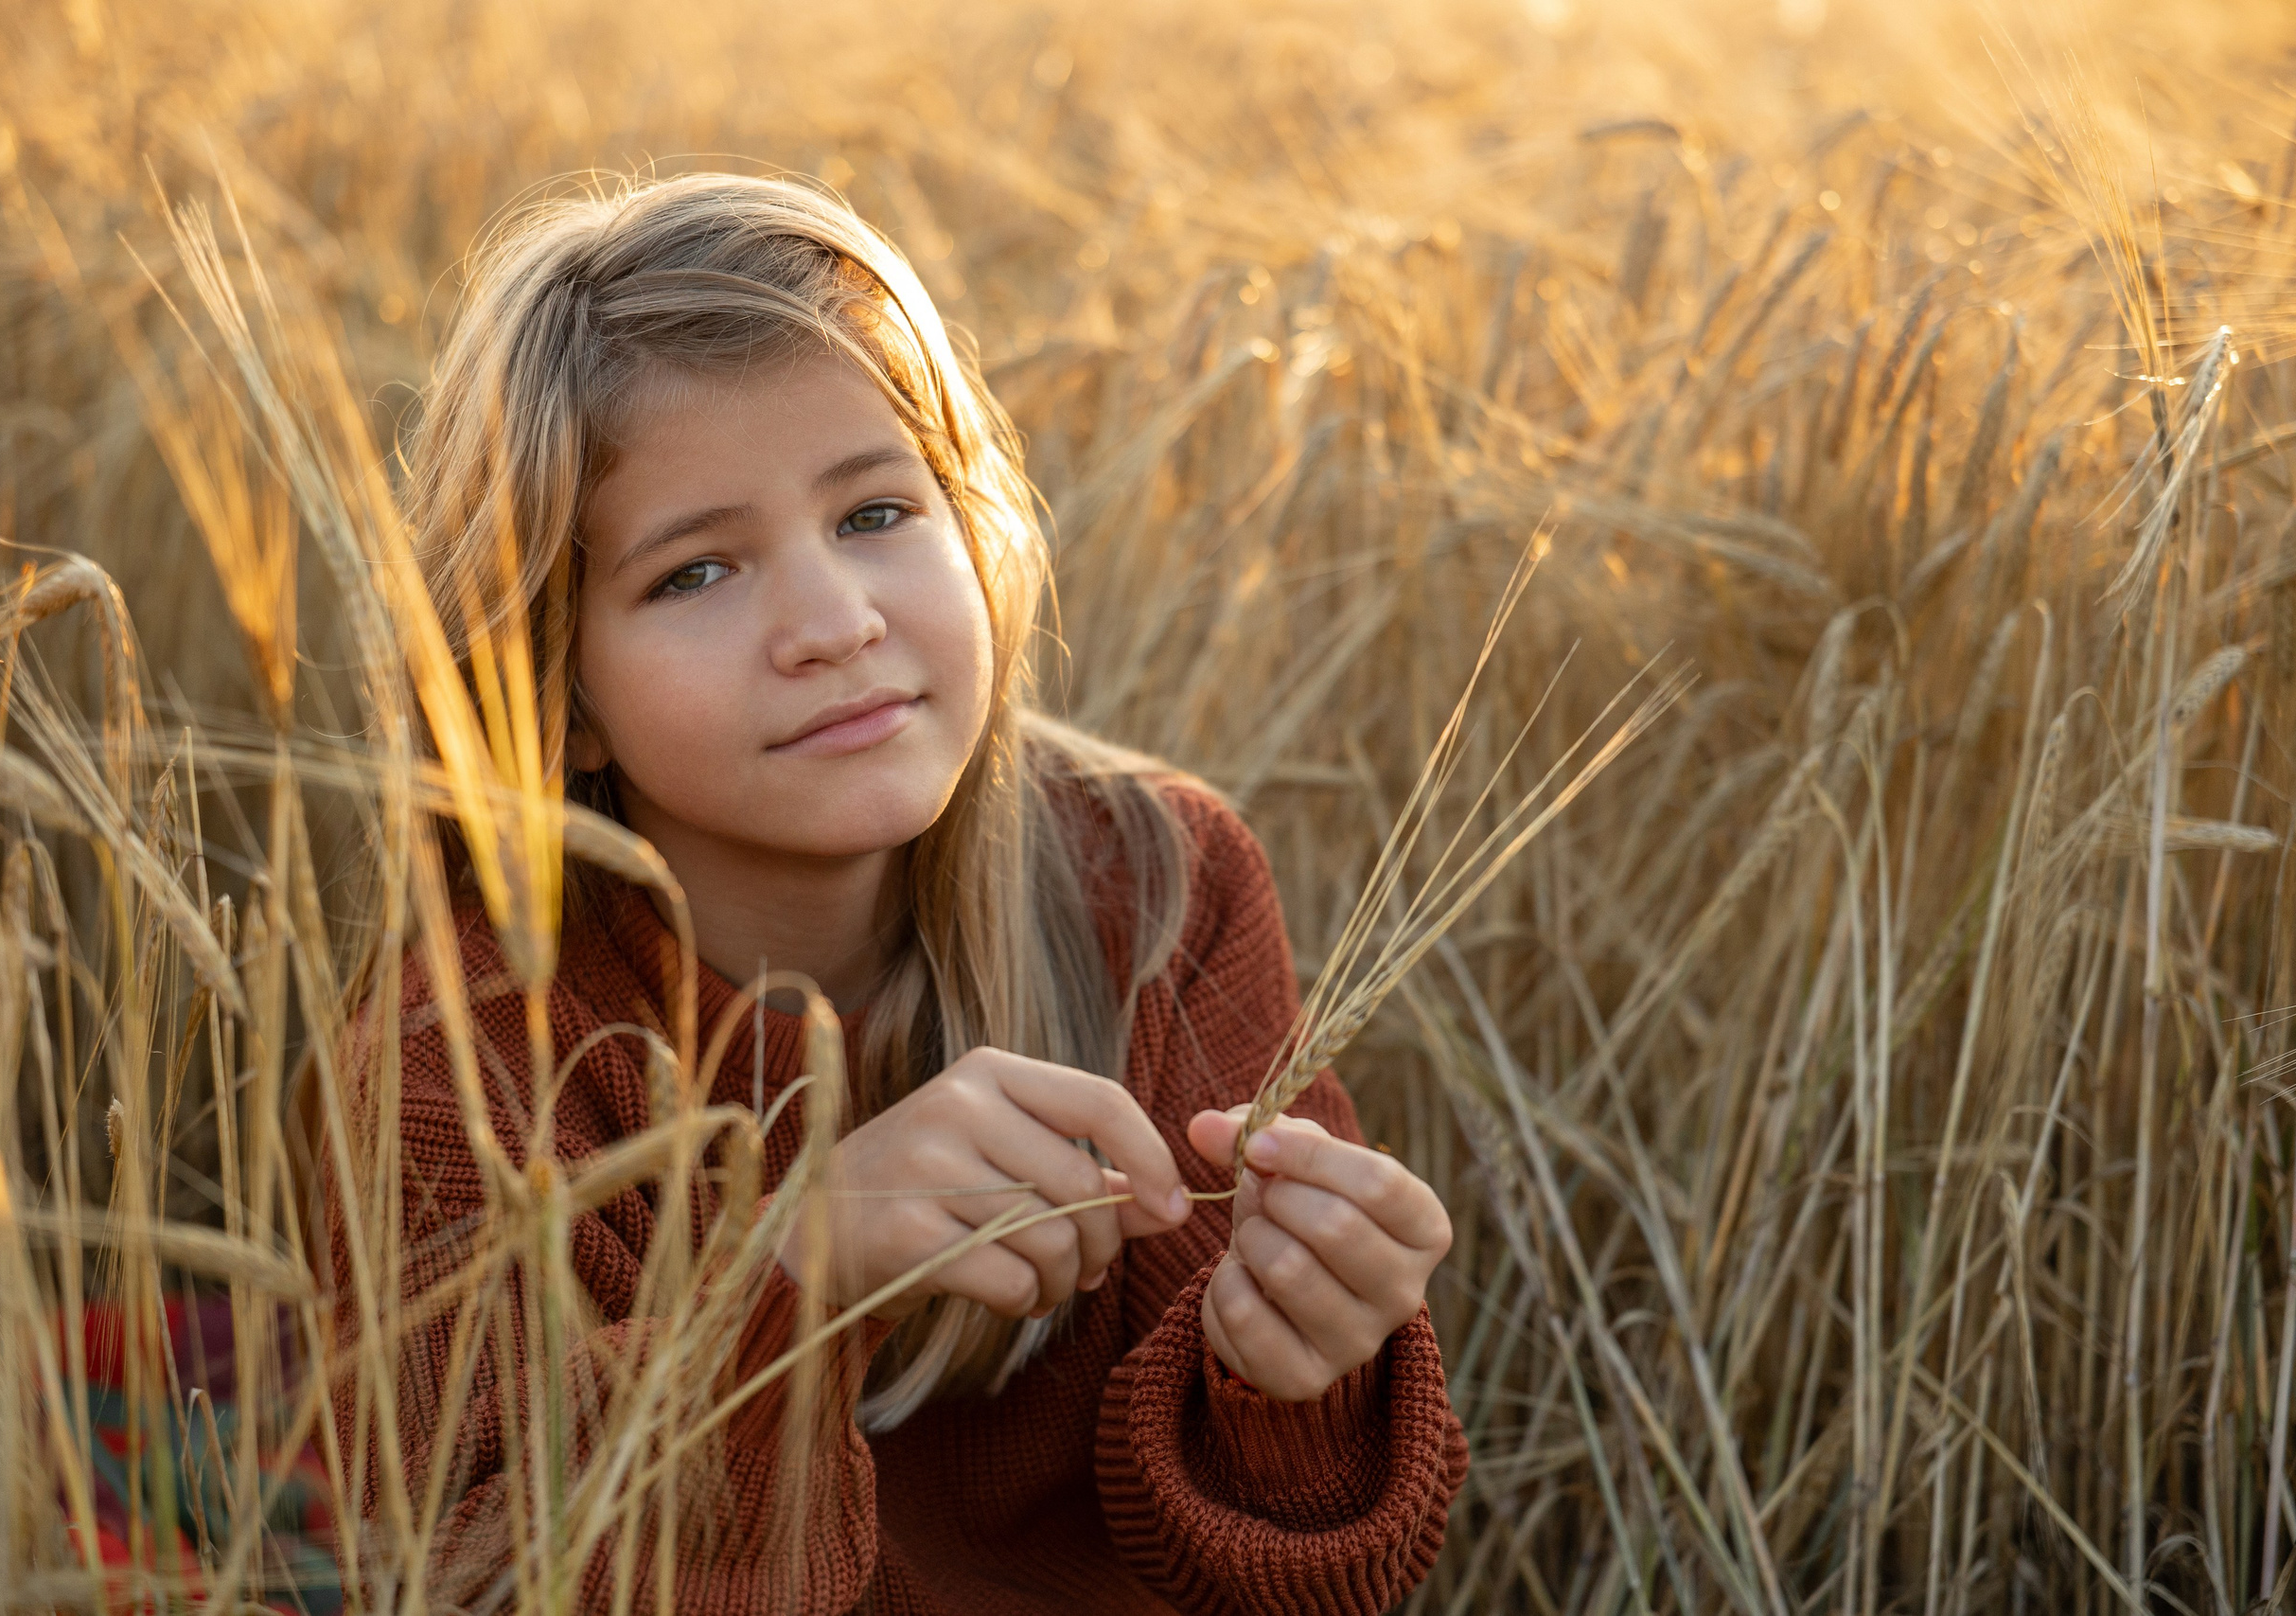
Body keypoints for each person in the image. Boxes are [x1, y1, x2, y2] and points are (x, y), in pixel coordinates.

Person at [328, 170, 1467, 1615]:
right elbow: (477, 1575)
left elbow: (1300, 1571)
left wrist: (1301, 1372)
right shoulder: (464, 1061)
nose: (833, 622)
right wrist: (794, 1270)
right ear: (556, 695)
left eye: (875, 512)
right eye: (696, 574)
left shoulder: (1155, 894)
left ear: (974, 525)